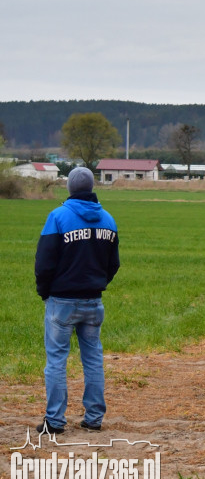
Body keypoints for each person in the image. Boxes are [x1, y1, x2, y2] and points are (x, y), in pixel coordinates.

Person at [34, 167, 119, 434]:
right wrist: (99, 283)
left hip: (62, 301)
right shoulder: (108, 219)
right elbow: (113, 264)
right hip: (93, 301)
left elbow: (44, 262)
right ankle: (94, 418)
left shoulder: (58, 217)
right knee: (93, 359)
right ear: (92, 187)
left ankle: (55, 421)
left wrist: (44, 290)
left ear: (70, 188)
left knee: (57, 360)